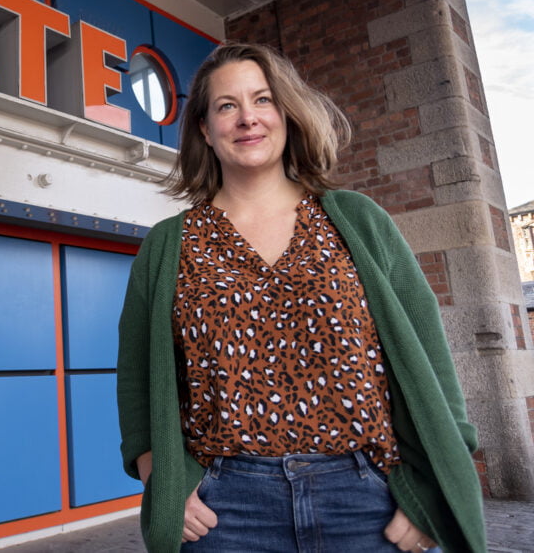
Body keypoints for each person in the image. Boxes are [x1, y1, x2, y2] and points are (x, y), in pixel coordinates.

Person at [116, 43, 486, 552]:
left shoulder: (356, 219)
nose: (247, 117)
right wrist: (164, 483)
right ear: (204, 127)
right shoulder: (169, 243)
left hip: (368, 499)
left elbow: (429, 352)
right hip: (227, 511)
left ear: (285, 114)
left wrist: (430, 485)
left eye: (262, 100)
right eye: (227, 106)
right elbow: (137, 375)